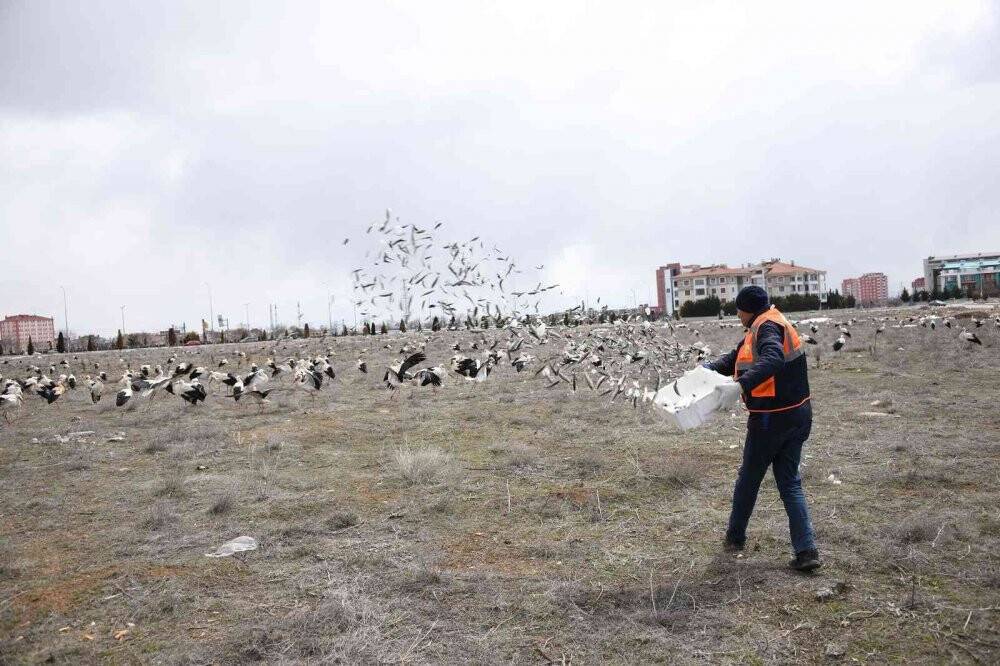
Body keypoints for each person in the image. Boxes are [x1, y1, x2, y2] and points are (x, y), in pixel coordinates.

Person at [705, 285, 821, 572]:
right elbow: (736, 358)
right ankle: (806, 551)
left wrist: (740, 386)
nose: (737, 314)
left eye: (739, 309)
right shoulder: (768, 322)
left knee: (749, 479)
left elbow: (773, 358)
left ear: (748, 309)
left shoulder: (766, 327)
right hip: (798, 414)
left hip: (772, 419)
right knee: (789, 483)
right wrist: (707, 369)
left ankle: (735, 538)